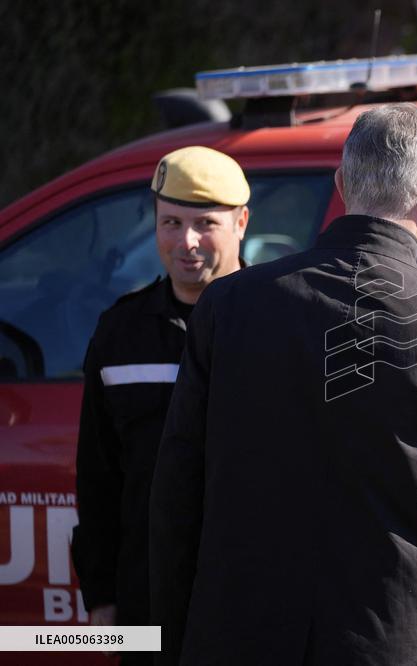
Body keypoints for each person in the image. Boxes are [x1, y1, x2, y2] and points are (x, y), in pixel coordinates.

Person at [148, 103, 417, 666]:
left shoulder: (226, 306)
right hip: (388, 646)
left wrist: (173, 644)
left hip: (237, 642)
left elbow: (176, 498)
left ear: (342, 185)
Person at [71, 145, 251, 664]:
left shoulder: (279, 323)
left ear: (241, 222)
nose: (186, 242)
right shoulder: (120, 333)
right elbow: (98, 477)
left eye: (205, 223)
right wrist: (102, 595)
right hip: (145, 597)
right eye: (171, 222)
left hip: (250, 595)